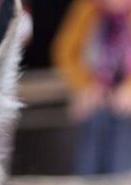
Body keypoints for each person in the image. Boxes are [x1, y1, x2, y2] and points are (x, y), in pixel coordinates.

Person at [53, 0, 131, 174]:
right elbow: (64, 51)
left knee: (124, 127)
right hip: (94, 90)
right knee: (92, 122)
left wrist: (128, 89)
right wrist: (84, 86)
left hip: (124, 96)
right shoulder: (86, 8)